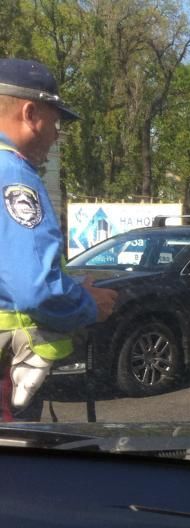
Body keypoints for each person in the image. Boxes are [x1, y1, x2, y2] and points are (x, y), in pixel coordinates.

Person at [0, 58, 116, 420]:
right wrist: (87, 302)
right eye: (56, 120)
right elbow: (33, 289)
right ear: (31, 113)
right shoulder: (14, 176)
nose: (57, 134)